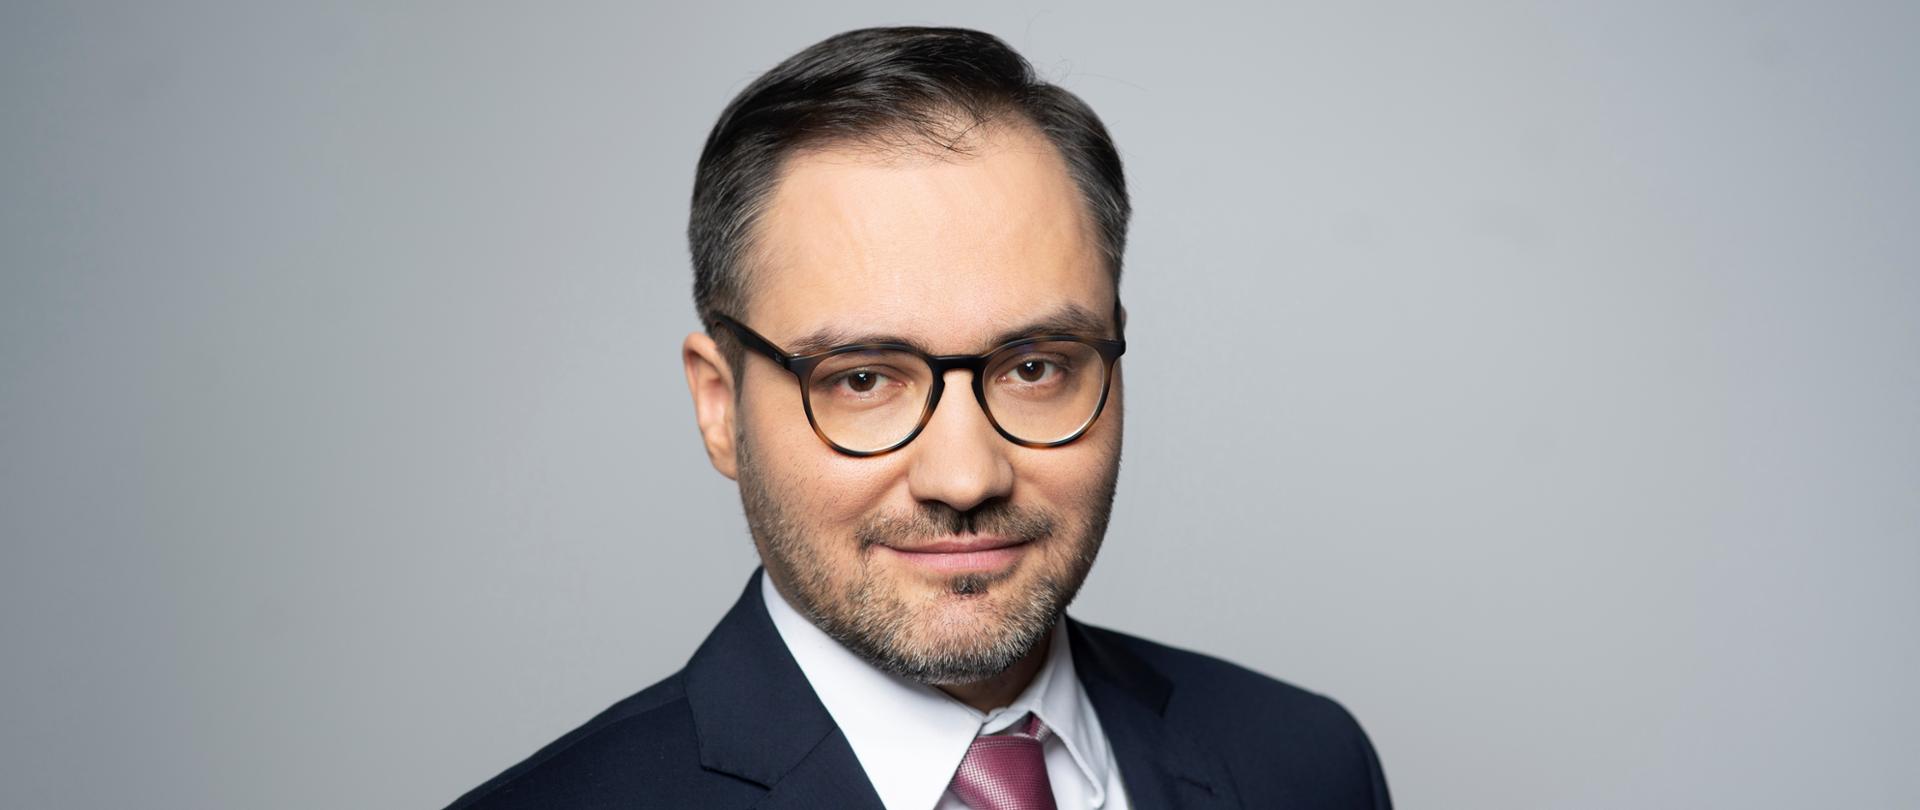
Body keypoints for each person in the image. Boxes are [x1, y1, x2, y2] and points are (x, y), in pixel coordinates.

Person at [448, 26, 1391, 810]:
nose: (965, 476)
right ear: (720, 406)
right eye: (863, 379)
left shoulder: (1306, 764)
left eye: (1034, 367)